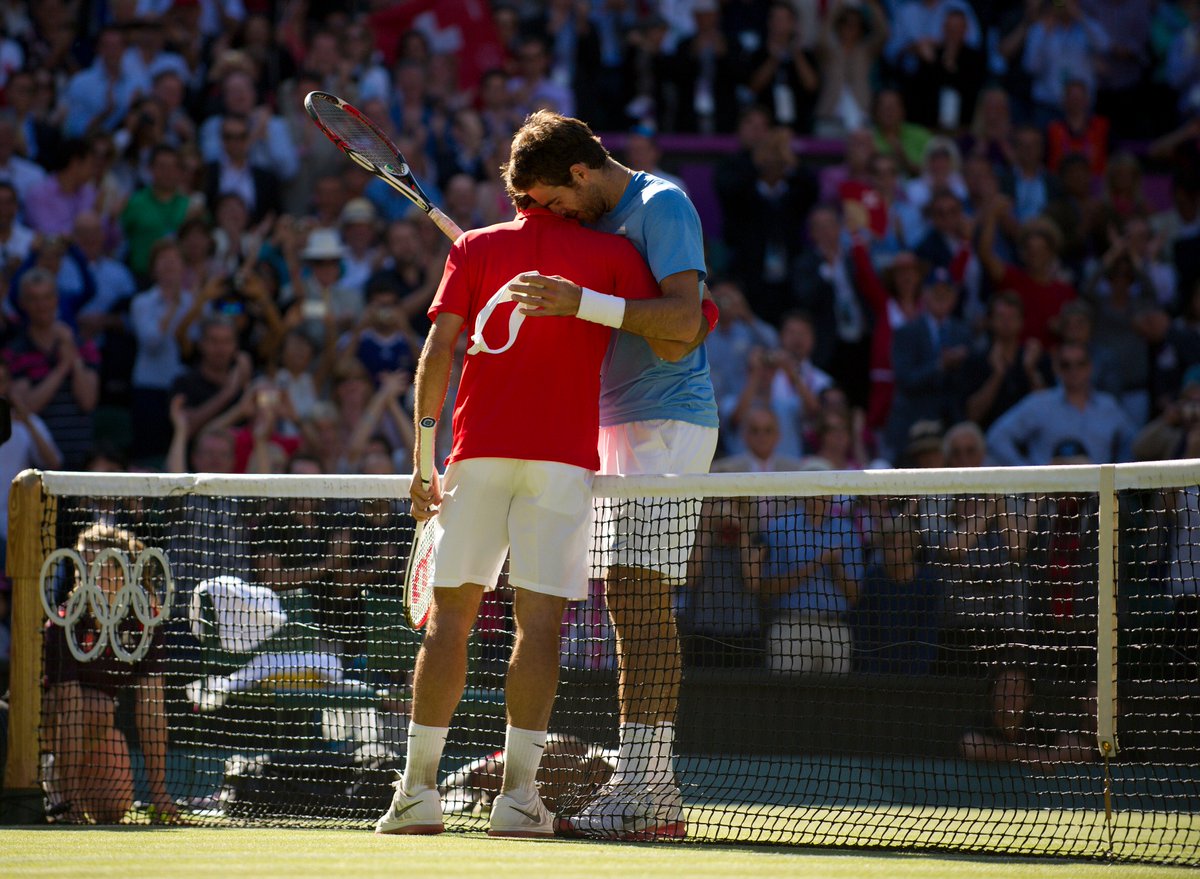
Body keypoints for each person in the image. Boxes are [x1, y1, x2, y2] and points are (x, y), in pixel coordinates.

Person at [376, 193, 696, 838]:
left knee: (449, 621)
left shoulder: (474, 248)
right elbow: (680, 327)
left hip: (476, 456)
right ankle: (519, 799)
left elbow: (439, 350)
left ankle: (416, 795)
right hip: (560, 463)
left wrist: (421, 456)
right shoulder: (611, 254)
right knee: (541, 626)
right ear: (561, 189)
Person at [502, 110, 718, 840]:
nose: (557, 216)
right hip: (607, 424)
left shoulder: (663, 204)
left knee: (636, 594)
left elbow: (685, 322)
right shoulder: (586, 222)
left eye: (558, 201)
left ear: (582, 172)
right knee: (625, 602)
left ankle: (649, 788)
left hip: (670, 421)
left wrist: (581, 301)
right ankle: (647, 785)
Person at [42, 523, 177, 823]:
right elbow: (69, 707)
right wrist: (72, 799)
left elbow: (152, 710)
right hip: (49, 723)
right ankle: (53, 779)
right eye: (82, 567)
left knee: (113, 809)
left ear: (121, 574)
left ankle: (65, 781)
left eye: (97, 567)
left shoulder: (144, 622)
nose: (86, 576)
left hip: (96, 726)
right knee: (98, 706)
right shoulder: (65, 622)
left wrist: (160, 794)